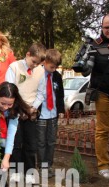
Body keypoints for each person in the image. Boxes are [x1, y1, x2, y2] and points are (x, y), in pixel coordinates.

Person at [5, 42, 47, 184]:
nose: (34, 65)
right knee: (15, 142)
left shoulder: (41, 71)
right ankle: (16, 171)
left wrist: (32, 108)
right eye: (33, 62)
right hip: (15, 110)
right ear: (28, 54)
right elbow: (10, 90)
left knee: (31, 142)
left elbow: (41, 93)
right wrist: (19, 108)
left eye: (38, 63)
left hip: (31, 112)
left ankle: (29, 172)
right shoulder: (14, 67)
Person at [79, 12, 109, 179]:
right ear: (102, 27)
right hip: (103, 93)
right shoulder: (94, 45)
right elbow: (84, 71)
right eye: (107, 27)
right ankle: (104, 166)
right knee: (102, 131)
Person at [0, 82, 30, 171]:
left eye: (10, 104)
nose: (6, 107)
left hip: (3, 122)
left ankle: (0, 171)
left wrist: (6, 158)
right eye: (3, 103)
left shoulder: (15, 106)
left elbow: (11, 134)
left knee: (4, 145)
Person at [36, 49, 65, 178]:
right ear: (45, 61)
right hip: (40, 114)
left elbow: (60, 95)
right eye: (51, 66)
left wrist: (61, 110)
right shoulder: (38, 73)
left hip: (53, 114)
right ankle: (41, 166)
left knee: (51, 141)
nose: (53, 69)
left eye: (56, 67)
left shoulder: (57, 76)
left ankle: (49, 165)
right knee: (41, 142)